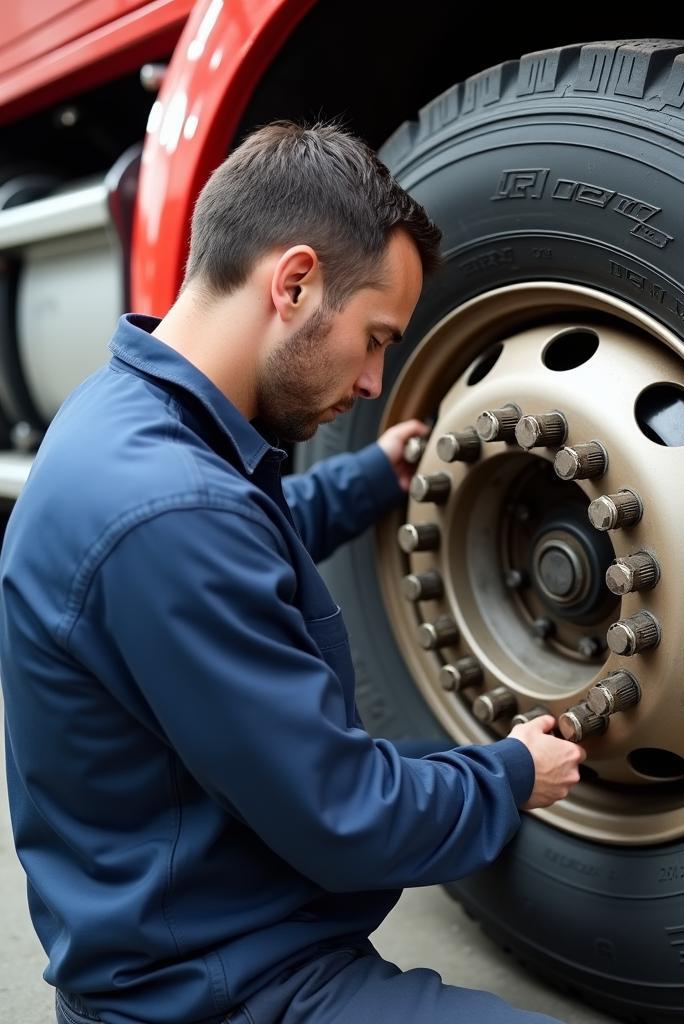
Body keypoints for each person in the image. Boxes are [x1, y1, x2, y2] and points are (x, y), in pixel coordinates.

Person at [0, 121, 585, 1024]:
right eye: (377, 338)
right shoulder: (173, 512)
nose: (374, 382)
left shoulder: (133, 421)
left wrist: (368, 478)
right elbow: (343, 816)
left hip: (188, 940)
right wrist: (509, 774)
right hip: (222, 991)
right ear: (296, 281)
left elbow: (245, 546)